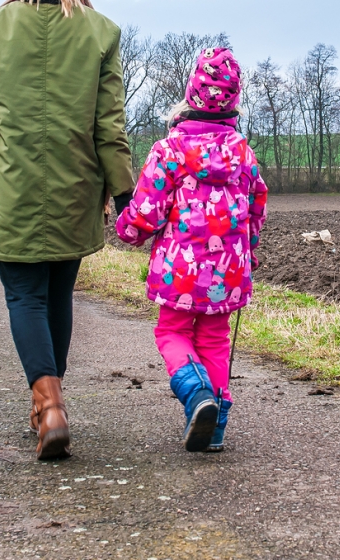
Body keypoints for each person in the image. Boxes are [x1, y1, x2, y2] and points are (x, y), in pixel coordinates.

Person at [0, 0, 135, 460]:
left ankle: (49, 405)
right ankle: (50, 403)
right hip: (76, 189)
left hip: (11, 186)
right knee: (58, 293)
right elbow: (110, 128)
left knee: (24, 295)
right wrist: (125, 193)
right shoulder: (101, 31)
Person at [114, 47, 268, 452]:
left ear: (191, 96)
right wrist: (248, 249)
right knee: (215, 339)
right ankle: (214, 428)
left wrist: (125, 229)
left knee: (172, 332)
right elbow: (257, 207)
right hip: (228, 271)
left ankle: (197, 395)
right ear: (233, 100)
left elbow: (147, 210)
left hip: (179, 271)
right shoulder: (242, 153)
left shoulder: (170, 151)